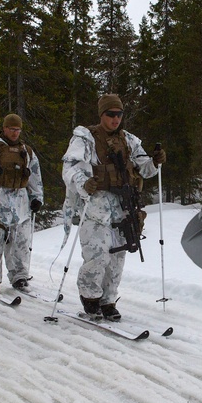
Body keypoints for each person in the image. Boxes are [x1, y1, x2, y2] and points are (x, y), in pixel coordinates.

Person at [61, 94, 165, 321]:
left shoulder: (130, 140)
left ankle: (108, 300)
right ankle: (90, 298)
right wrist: (84, 183)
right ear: (102, 115)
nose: (115, 119)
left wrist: (154, 162)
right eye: (111, 115)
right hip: (97, 205)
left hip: (124, 206)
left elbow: (144, 169)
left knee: (118, 257)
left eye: (119, 115)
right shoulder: (85, 138)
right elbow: (70, 168)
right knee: (97, 255)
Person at [0, 113, 44, 294]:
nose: (14, 133)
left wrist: (36, 198)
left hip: (19, 202)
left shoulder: (27, 152)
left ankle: (19, 276)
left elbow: (35, 176)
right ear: (4, 128)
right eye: (11, 129)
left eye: (17, 129)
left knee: (20, 241)